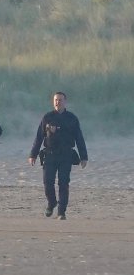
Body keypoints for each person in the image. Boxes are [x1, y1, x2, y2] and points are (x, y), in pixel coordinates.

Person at [28, 91, 88, 220]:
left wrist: (84, 156)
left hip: (66, 155)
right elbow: (39, 137)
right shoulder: (47, 117)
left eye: (60, 100)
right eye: (56, 100)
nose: (58, 102)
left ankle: (61, 212)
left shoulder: (72, 118)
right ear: (53, 101)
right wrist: (33, 154)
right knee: (47, 182)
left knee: (63, 183)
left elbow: (79, 138)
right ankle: (51, 203)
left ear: (65, 102)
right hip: (49, 154)